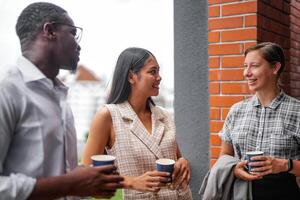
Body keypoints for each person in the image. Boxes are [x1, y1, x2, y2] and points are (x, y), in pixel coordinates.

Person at [0, 2, 124, 199]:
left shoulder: (60, 97)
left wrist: (91, 182)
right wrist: (71, 183)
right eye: (73, 33)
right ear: (50, 31)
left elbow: (67, 182)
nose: (78, 44)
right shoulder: (7, 91)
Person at [81, 47, 192, 199]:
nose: (159, 77)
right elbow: (86, 173)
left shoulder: (164, 116)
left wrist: (182, 162)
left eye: (159, 71)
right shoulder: (108, 116)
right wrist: (131, 182)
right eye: (153, 72)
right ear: (131, 76)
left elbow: (176, 157)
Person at [219, 42, 300, 199]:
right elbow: (225, 155)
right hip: (241, 194)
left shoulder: (297, 111)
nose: (246, 73)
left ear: (275, 67)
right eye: (245, 66)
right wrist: (234, 169)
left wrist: (284, 165)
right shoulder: (236, 110)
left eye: (254, 66)